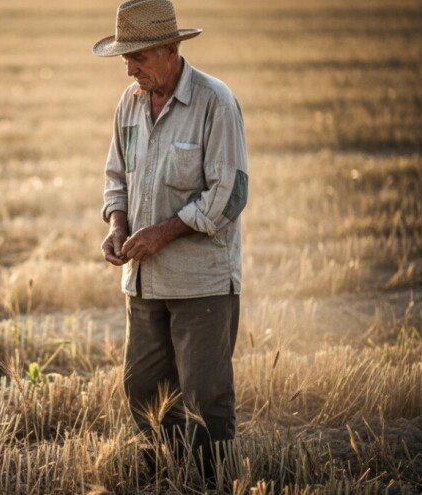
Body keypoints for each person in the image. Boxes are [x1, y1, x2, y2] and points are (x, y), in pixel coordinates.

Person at [92, 0, 248, 483]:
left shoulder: (214, 102)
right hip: (143, 283)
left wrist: (162, 233)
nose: (129, 67)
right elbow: (116, 177)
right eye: (125, 56)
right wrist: (117, 227)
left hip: (200, 282)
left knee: (205, 396)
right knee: (142, 387)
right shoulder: (129, 104)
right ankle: (162, 477)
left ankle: (211, 483)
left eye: (138, 56)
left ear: (171, 49)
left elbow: (229, 194)